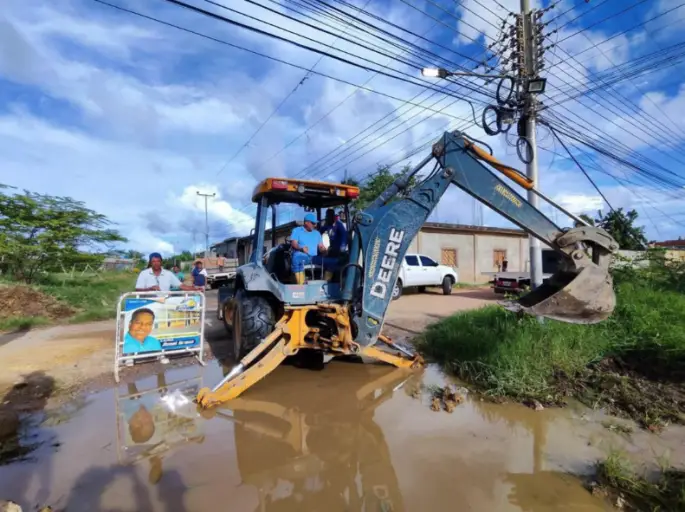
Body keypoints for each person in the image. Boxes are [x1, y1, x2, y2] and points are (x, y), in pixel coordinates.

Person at [291, 213, 339, 284]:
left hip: (314, 258)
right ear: (306, 222)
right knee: (296, 257)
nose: (315, 225)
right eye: (313, 223)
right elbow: (294, 243)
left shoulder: (317, 233)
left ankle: (325, 285)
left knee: (334, 261)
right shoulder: (297, 230)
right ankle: (301, 285)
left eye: (316, 223)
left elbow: (320, 246)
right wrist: (301, 248)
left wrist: (323, 250)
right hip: (303, 256)